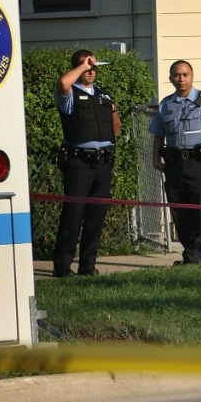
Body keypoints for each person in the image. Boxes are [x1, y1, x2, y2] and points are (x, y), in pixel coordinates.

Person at [149, 60, 201, 264]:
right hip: (174, 164)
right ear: (171, 78)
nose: (181, 79)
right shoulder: (166, 104)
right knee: (178, 209)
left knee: (200, 209)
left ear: (192, 77)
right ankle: (191, 254)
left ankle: (194, 256)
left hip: (198, 164)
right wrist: (155, 158)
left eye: (185, 75)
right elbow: (159, 135)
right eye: (177, 75)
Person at [52, 49, 122, 277]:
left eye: (93, 67)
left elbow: (116, 129)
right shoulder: (70, 94)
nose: (91, 70)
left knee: (96, 215)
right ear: (78, 68)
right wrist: (82, 65)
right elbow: (62, 82)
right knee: (73, 214)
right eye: (86, 66)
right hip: (80, 164)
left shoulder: (104, 96)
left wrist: (113, 114)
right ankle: (62, 266)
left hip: (103, 162)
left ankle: (87, 265)